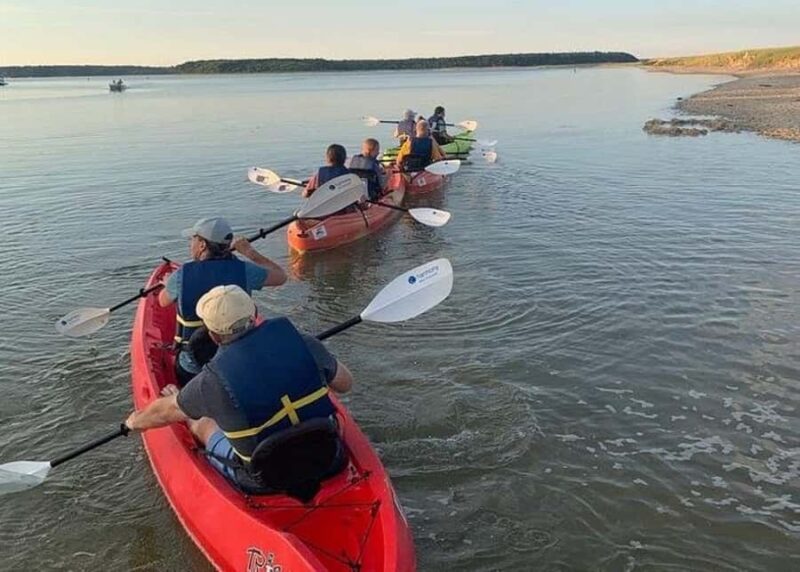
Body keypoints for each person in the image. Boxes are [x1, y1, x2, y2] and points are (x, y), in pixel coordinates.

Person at [125, 285, 354, 491]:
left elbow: (165, 412)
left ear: (213, 335)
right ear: (254, 315)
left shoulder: (210, 381)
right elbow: (345, 383)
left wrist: (134, 421)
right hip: (328, 457)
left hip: (262, 479)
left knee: (203, 423)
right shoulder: (303, 342)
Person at [159, 217, 287, 386]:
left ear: (203, 245)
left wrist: (169, 283)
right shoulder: (246, 271)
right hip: (237, 360)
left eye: (193, 239)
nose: (191, 244)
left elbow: (163, 301)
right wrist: (249, 252)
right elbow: (281, 277)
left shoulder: (181, 275)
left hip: (193, 366)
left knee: (187, 365)